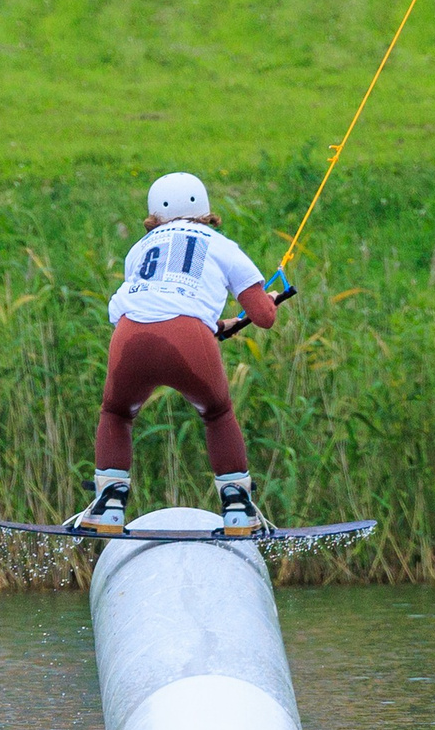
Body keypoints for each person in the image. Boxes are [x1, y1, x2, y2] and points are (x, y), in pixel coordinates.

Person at [71, 172, 284, 538]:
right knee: (217, 413)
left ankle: (108, 508)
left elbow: (155, 302)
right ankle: (238, 511)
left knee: (116, 412)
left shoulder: (139, 248)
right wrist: (269, 303)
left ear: (154, 216)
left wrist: (217, 326)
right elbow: (263, 317)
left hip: (130, 334)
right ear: (206, 212)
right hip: (188, 338)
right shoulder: (222, 246)